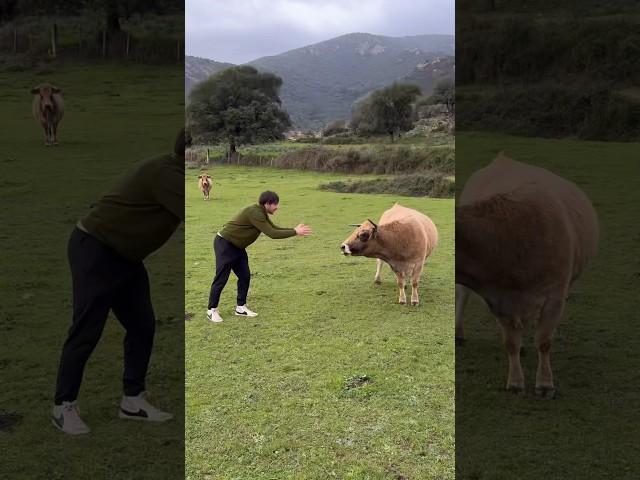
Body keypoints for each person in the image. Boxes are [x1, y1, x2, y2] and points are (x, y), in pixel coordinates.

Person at [52, 128, 186, 435]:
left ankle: (133, 401)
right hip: (96, 249)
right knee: (87, 329)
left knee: (142, 325)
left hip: (124, 257)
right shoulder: (168, 175)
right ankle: (63, 406)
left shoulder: (175, 170)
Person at [207, 191, 312, 323]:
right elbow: (272, 233)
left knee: (244, 275)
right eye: (275, 204)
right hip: (225, 244)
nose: (277, 207)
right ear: (267, 204)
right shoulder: (255, 212)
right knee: (222, 277)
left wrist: (294, 230)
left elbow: (274, 227)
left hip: (237, 247)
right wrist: (295, 232)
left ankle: (240, 307)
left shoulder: (261, 212)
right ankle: (212, 310)